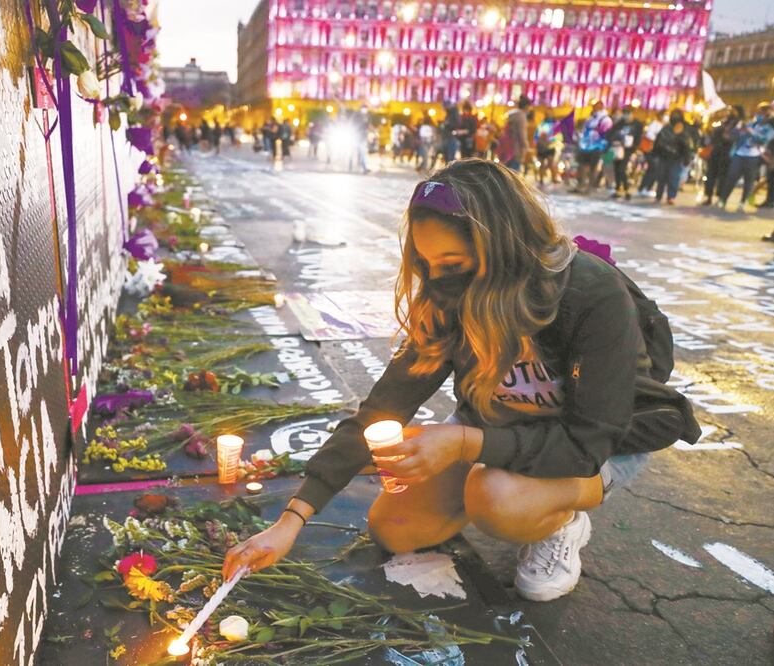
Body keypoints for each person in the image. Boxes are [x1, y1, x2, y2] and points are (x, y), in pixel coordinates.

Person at [224, 159, 700, 602]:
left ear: (502, 245)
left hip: (594, 445)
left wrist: (463, 444)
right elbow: (381, 409)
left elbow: (587, 442)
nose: (436, 281)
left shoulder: (590, 293)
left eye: (451, 265)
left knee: (496, 496)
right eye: (427, 265)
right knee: (394, 528)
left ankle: (558, 522)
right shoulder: (451, 295)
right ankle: (496, 488)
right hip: (499, 424)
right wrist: (292, 519)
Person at [717, 102, 774, 213]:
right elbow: (734, 135)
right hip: (739, 153)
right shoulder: (749, 124)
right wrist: (732, 132)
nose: (760, 115)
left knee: (749, 180)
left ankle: (742, 202)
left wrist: (750, 132)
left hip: (754, 156)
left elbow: (764, 140)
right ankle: (723, 200)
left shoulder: (769, 129)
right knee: (731, 177)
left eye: (763, 113)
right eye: (759, 112)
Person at [649, 109, 693, 205]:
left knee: (674, 177)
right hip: (664, 156)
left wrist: (686, 158)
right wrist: (655, 153)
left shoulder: (683, 130)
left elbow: (686, 146)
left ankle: (671, 196)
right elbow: (659, 141)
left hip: (676, 158)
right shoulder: (666, 128)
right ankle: (659, 195)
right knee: (661, 177)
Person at [700, 106, 741, 206]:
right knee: (710, 174)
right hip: (716, 151)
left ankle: (720, 198)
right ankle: (708, 196)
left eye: (732, 110)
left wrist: (727, 135)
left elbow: (733, 138)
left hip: (727, 152)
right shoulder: (722, 122)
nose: (729, 112)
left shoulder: (737, 123)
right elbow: (715, 135)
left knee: (723, 176)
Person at [574, 100, 613, 194]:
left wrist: (604, 147)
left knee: (593, 168)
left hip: (597, 147)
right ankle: (581, 185)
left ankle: (590, 187)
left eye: (596, 106)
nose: (594, 108)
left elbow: (607, 134)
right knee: (582, 166)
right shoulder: (591, 118)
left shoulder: (605, 119)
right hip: (586, 146)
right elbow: (584, 130)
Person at [608, 106, 643, 201]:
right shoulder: (619, 124)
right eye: (625, 113)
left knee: (622, 169)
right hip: (618, 148)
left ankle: (627, 189)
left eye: (628, 113)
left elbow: (638, 137)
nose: (626, 115)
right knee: (616, 168)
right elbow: (611, 134)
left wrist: (635, 147)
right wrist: (614, 141)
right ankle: (618, 189)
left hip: (628, 149)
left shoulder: (637, 124)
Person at [498, 96, 531, 172]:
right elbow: (522, 134)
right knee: (514, 173)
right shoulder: (521, 117)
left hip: (506, 146)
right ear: (526, 106)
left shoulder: (510, 114)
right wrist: (526, 146)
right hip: (516, 148)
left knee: (505, 171)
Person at [534, 114, 562, 185]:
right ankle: (547, 178)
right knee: (548, 164)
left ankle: (545, 178)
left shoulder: (542, 125)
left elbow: (536, 137)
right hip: (547, 147)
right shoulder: (550, 125)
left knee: (546, 164)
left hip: (545, 147)